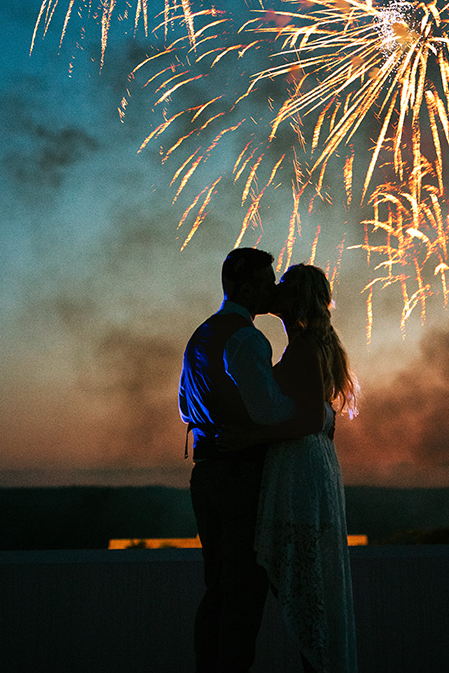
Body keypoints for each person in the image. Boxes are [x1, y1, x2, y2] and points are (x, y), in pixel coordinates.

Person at [223, 262, 359, 673]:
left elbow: (306, 421)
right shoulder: (313, 344)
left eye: (282, 286)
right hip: (312, 465)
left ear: (295, 298)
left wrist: (247, 439)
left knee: (306, 586)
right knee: (309, 582)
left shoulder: (302, 348)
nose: (274, 291)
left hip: (300, 469)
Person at [180, 246, 309, 673]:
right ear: (240, 283)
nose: (270, 289)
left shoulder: (201, 335)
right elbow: (267, 410)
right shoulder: (246, 337)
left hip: (206, 472)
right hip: (240, 475)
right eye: (263, 281)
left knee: (217, 587)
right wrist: (314, 410)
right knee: (243, 592)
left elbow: (185, 405)